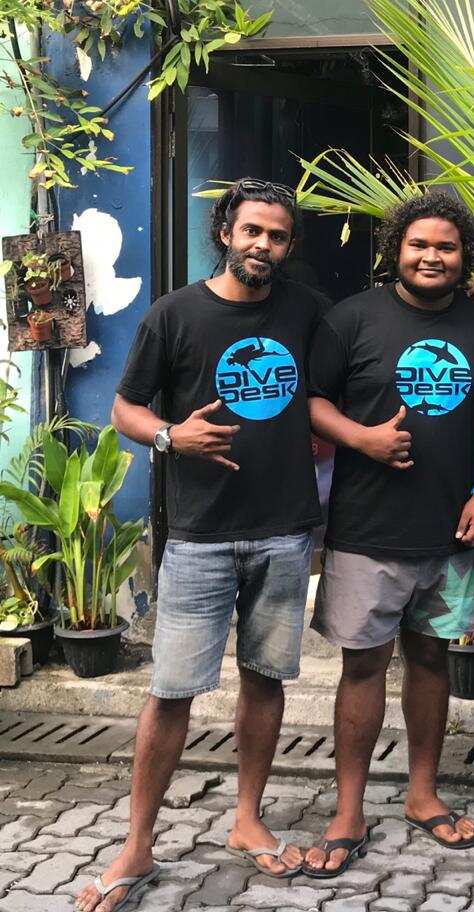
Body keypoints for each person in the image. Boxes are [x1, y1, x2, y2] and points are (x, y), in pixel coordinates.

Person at [80, 180, 325, 912]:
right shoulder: (175, 314)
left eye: (278, 236)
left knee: (266, 679)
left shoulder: (307, 310)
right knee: (171, 692)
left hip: (284, 529)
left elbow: (364, 358)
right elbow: (125, 406)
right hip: (199, 537)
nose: (264, 246)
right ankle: (138, 846)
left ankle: (248, 820)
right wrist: (170, 436)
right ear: (226, 231)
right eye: (253, 231)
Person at [303, 191, 474, 876]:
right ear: (396, 249)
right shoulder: (351, 319)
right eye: (419, 245)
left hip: (451, 531)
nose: (431, 256)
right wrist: (361, 438)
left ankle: (424, 794)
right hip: (367, 529)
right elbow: (310, 401)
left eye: (446, 247)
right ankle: (348, 810)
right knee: (362, 664)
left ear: (464, 257)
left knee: (430, 659)